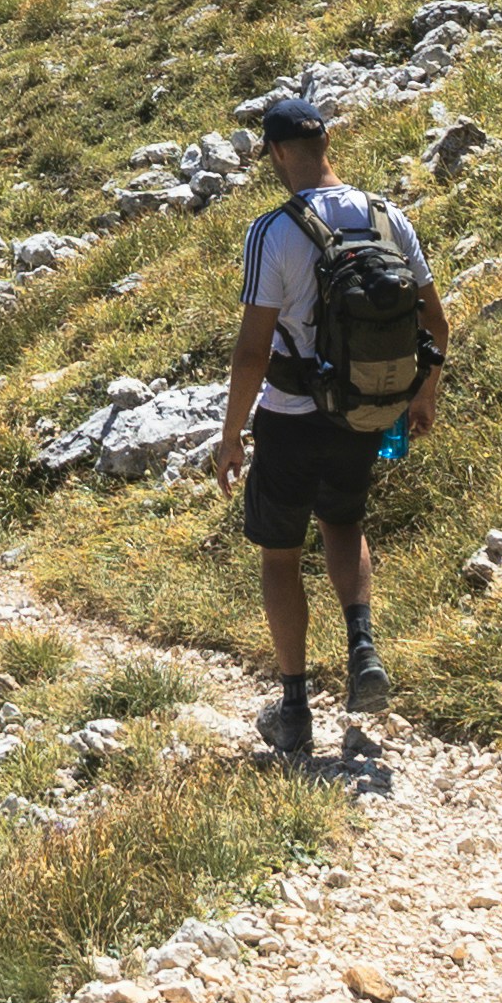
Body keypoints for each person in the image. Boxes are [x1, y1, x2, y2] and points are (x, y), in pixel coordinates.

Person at [210, 76, 444, 762]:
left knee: (279, 555)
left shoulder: (272, 232)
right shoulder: (386, 217)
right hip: (367, 413)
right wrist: (422, 394)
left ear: (278, 155)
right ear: (326, 142)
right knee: (344, 522)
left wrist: (231, 436)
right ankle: (363, 646)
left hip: (289, 417)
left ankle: (293, 709)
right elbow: (436, 322)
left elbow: (254, 349)